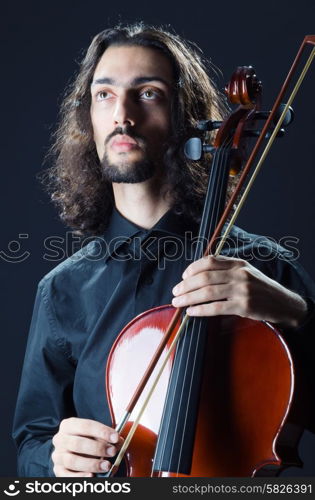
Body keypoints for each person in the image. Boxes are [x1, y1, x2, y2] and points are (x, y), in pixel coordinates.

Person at [13, 23, 315, 477]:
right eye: (104, 95)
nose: (123, 115)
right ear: (89, 120)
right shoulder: (62, 290)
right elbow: (33, 441)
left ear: (185, 115)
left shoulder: (261, 268)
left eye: (148, 93)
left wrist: (298, 314)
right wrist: (53, 458)